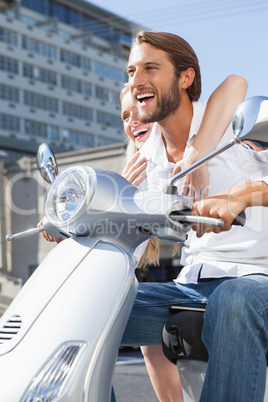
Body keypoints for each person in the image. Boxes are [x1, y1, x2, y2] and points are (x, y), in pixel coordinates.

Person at [120, 30, 268, 402]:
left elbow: (237, 81)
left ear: (185, 78)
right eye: (131, 71)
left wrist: (240, 196)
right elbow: (133, 244)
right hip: (191, 284)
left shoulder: (231, 125)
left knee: (233, 298)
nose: (136, 80)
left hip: (256, 280)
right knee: (99, 302)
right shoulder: (150, 161)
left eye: (150, 68)